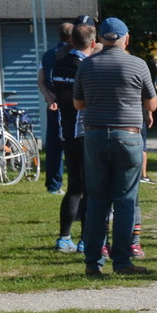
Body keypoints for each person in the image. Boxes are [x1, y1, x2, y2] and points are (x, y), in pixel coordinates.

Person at [73, 17, 157, 276]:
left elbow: (78, 104)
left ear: (100, 39)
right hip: (129, 137)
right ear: (126, 38)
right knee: (125, 201)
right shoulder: (137, 64)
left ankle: (93, 264)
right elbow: (152, 105)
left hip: (95, 135)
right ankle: (122, 262)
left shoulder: (87, 65)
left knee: (97, 201)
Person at [49, 22, 92, 252]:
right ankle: (86, 239)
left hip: (65, 130)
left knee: (74, 186)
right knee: (89, 188)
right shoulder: (87, 67)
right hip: (83, 131)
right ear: (92, 43)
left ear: (71, 41)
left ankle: (64, 237)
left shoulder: (58, 66)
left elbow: (54, 93)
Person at [38, 20, 75, 192]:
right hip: (70, 105)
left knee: (53, 146)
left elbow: (40, 81)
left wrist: (49, 97)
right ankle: (75, 181)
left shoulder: (47, 55)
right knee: (72, 144)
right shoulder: (72, 55)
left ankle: (53, 185)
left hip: (52, 105)